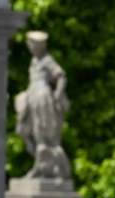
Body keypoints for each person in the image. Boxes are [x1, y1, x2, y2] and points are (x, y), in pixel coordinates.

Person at [14, 30, 70, 179]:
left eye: (31, 43)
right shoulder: (34, 60)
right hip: (32, 96)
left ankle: (46, 168)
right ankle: (42, 166)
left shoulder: (47, 60)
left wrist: (58, 93)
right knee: (27, 131)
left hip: (42, 97)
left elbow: (61, 76)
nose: (29, 46)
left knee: (42, 133)